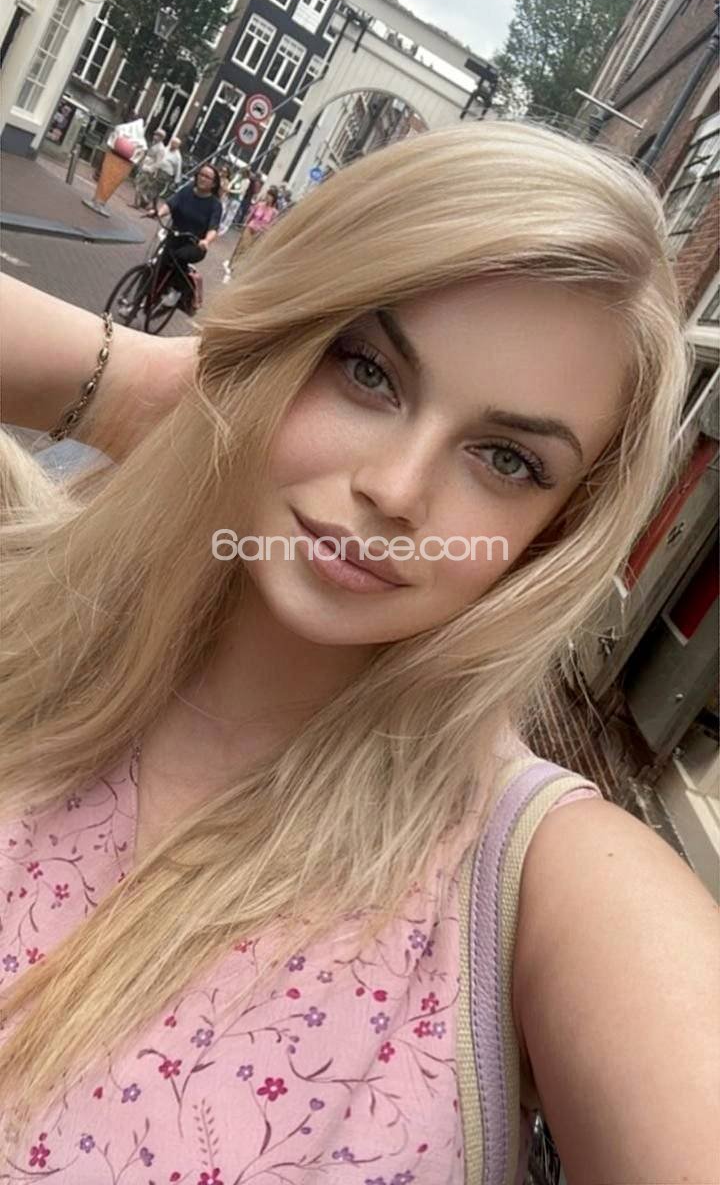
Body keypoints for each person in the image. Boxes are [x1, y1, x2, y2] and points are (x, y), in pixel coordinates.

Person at [0, 123, 717, 1183]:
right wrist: (160, 389)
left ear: (555, 532)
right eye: (368, 370)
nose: (396, 488)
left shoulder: (545, 883)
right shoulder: (25, 593)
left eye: (507, 458)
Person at [154, 163, 222, 309]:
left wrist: (206, 241)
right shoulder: (186, 191)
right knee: (156, 267)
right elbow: (171, 204)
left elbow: (213, 228)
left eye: (207, 177)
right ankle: (137, 303)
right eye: (201, 174)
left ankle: (177, 290)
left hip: (195, 244)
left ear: (214, 184)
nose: (202, 178)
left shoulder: (215, 204)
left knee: (180, 256)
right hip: (175, 236)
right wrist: (158, 213)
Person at [229, 184, 279, 272]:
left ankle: (240, 266)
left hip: (260, 233)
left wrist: (266, 232)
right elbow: (250, 215)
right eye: (267, 195)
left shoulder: (274, 212)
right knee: (242, 246)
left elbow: (272, 224)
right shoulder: (259, 205)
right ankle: (233, 264)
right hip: (250, 227)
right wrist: (245, 223)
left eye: (271, 196)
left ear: (274, 199)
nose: (268, 197)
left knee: (249, 250)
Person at [133, 128, 167, 209]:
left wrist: (150, 169)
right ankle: (145, 201)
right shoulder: (153, 144)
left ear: (161, 138)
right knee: (139, 185)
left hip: (148, 170)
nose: (155, 136)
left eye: (157, 135)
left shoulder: (161, 149)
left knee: (139, 185)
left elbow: (158, 163)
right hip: (144, 167)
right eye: (155, 134)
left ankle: (137, 203)